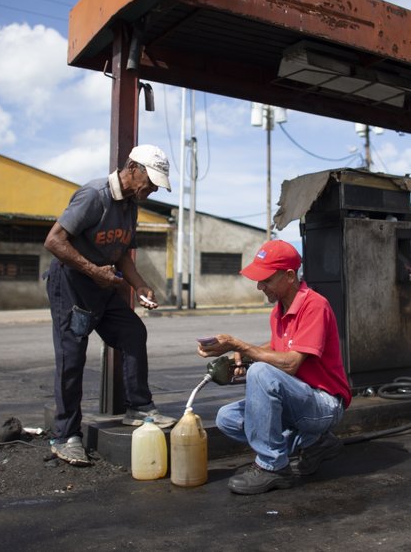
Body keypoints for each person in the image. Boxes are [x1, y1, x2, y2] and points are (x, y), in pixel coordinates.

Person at [44, 144, 176, 466]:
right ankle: (65, 436)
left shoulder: (131, 205)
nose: (154, 188)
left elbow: (120, 254)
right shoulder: (94, 195)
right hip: (73, 286)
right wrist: (91, 270)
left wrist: (140, 285)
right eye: (152, 180)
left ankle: (139, 407)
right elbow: (54, 241)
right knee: (72, 358)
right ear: (132, 168)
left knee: (132, 332)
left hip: (104, 284)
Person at [198, 239, 352, 494]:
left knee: (261, 371)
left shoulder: (315, 305)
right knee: (227, 418)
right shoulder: (279, 311)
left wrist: (243, 346)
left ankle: (273, 467)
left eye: (266, 280)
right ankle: (313, 443)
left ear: (290, 276)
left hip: (324, 404)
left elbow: (290, 363)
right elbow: (277, 347)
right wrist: (241, 356)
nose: (260, 286)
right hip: (299, 400)